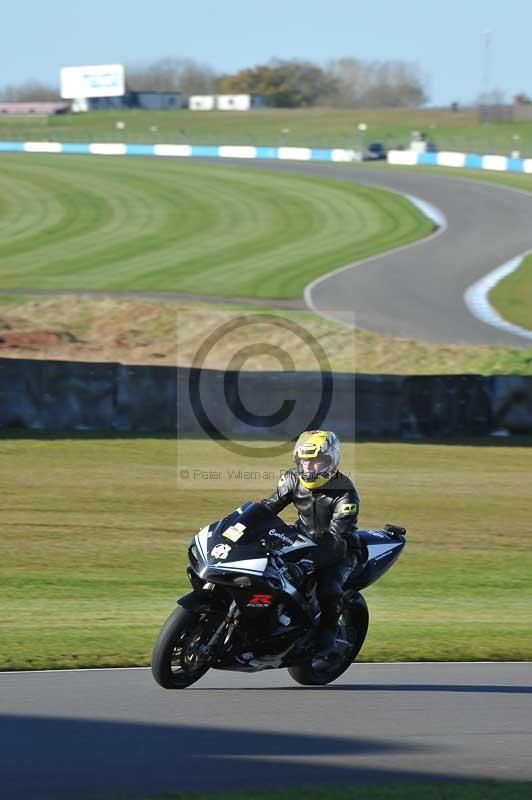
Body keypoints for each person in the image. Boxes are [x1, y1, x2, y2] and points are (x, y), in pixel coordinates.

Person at [260, 429, 367, 660]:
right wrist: (236, 525)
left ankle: (328, 634)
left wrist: (307, 563)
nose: (308, 467)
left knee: (328, 587)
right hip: (302, 537)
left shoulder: (345, 494)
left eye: (315, 461)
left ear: (331, 460)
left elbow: (337, 541)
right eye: (304, 461)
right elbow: (267, 507)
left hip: (341, 549)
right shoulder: (292, 479)